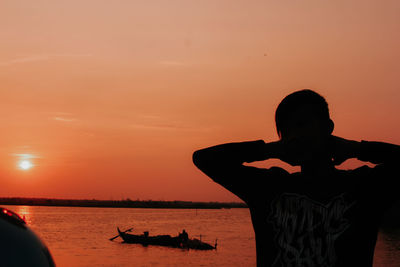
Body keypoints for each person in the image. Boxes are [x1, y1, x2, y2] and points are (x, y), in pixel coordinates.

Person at [192, 89, 399, 267]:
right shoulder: (268, 186)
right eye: (286, 131)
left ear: (328, 127)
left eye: (302, 124)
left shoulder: (363, 186)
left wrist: (357, 148)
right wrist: (267, 150)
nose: (295, 136)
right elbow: (204, 159)